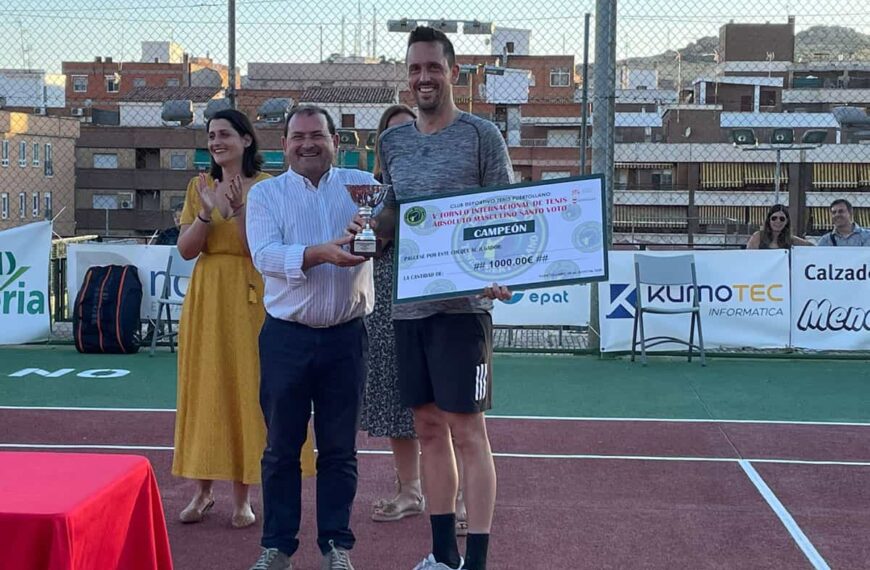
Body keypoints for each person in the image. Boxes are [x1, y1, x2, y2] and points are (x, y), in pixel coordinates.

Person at [357, 27, 513, 570]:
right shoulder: (394, 142)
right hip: (408, 306)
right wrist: (367, 230)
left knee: (467, 429)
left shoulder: (481, 136)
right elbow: (392, 213)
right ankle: (442, 554)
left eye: (433, 67)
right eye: (415, 69)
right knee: (426, 428)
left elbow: (505, 214)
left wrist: (501, 271)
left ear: (452, 71)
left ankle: (477, 560)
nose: (423, 77)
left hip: (464, 309)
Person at [245, 105, 376, 570]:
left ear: (335, 140)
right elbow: (264, 255)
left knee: (339, 449)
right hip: (286, 337)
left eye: (316, 135)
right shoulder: (266, 196)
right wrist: (319, 253)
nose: (307, 144)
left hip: (346, 337)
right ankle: (277, 546)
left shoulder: (366, 190)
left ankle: (337, 546)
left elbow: (389, 238)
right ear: (284, 144)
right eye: (297, 136)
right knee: (281, 447)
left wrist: (379, 234)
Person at [172, 108, 315, 530]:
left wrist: (236, 211)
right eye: (212, 135)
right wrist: (205, 211)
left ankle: (243, 495)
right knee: (205, 388)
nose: (217, 142)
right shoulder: (198, 187)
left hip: (253, 296)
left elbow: (261, 250)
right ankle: (202, 490)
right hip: (207, 298)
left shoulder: (268, 189)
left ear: (246, 140)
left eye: (225, 135)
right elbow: (185, 249)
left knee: (249, 390)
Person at [364, 104, 469, 535]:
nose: (403, 142)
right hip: (387, 297)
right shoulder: (372, 193)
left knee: (450, 405)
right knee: (394, 400)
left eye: (410, 132)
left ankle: (460, 498)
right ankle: (410, 492)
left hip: (441, 299)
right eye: (393, 136)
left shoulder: (446, 187)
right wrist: (370, 231)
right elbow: (366, 246)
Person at [745, 204, 813, 249]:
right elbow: (748, 256)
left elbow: (811, 246)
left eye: (782, 219)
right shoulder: (758, 237)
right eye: (774, 218)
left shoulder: (791, 240)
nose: (778, 221)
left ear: (786, 222)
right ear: (769, 220)